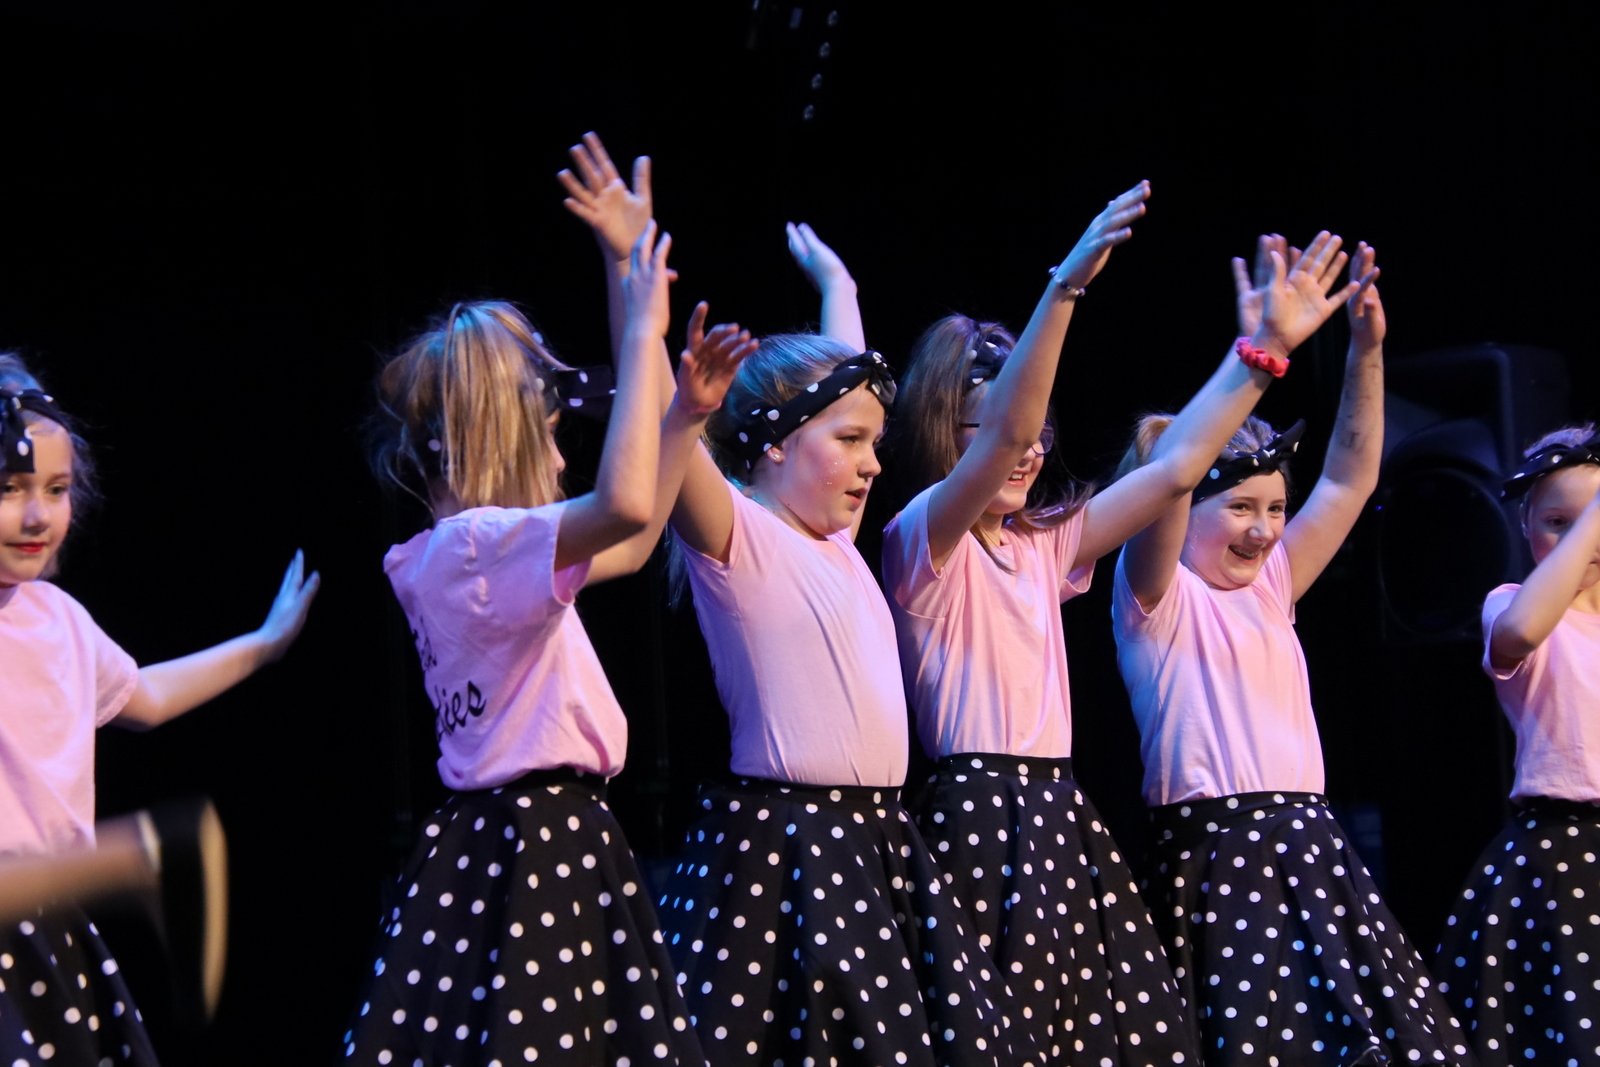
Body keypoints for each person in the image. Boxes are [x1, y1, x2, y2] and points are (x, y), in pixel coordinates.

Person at [557, 133, 1013, 1067]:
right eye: (849, 442)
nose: (873, 463)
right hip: (791, 844)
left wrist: (839, 285)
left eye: (874, 442)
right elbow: (656, 417)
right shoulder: (741, 535)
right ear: (771, 443)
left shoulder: (837, 539)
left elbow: (845, 375)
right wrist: (631, 282)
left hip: (882, 842)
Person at [884, 191, 1358, 1066]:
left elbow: (1177, 468)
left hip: (1059, 813)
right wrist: (1063, 289)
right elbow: (1005, 438)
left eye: (1040, 434)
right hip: (978, 818)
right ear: (948, 432)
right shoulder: (922, 537)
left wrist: (1262, 355)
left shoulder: (1043, 543)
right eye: (1000, 431)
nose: (1030, 449)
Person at [343, 221, 753, 1067]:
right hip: (540, 837)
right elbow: (626, 505)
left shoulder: (457, 557)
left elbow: (633, 543)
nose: (565, 462)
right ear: (500, 435)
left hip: (531, 834)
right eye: (553, 435)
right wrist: (639, 325)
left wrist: (684, 415)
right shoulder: (478, 545)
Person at [1111, 241, 1475, 1065]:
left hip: (1310, 845)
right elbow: (1171, 478)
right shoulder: (1157, 597)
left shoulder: (1272, 587)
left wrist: (1366, 351)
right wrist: (1258, 356)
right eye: (1241, 507)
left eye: (1275, 508)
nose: (1265, 530)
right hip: (1220, 857)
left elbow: (1346, 480)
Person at [0, 352, 318, 1065]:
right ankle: (138, 858)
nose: (37, 514)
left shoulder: (58, 618)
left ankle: (138, 859)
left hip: (50, 930)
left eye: (56, 489)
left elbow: (144, 696)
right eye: (9, 489)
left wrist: (262, 645)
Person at [1433, 423, 1600, 1066]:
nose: (1581, 542)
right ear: (1526, 527)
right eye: (1558, 523)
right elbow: (1523, 632)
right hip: (1564, 855)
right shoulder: (1509, 605)